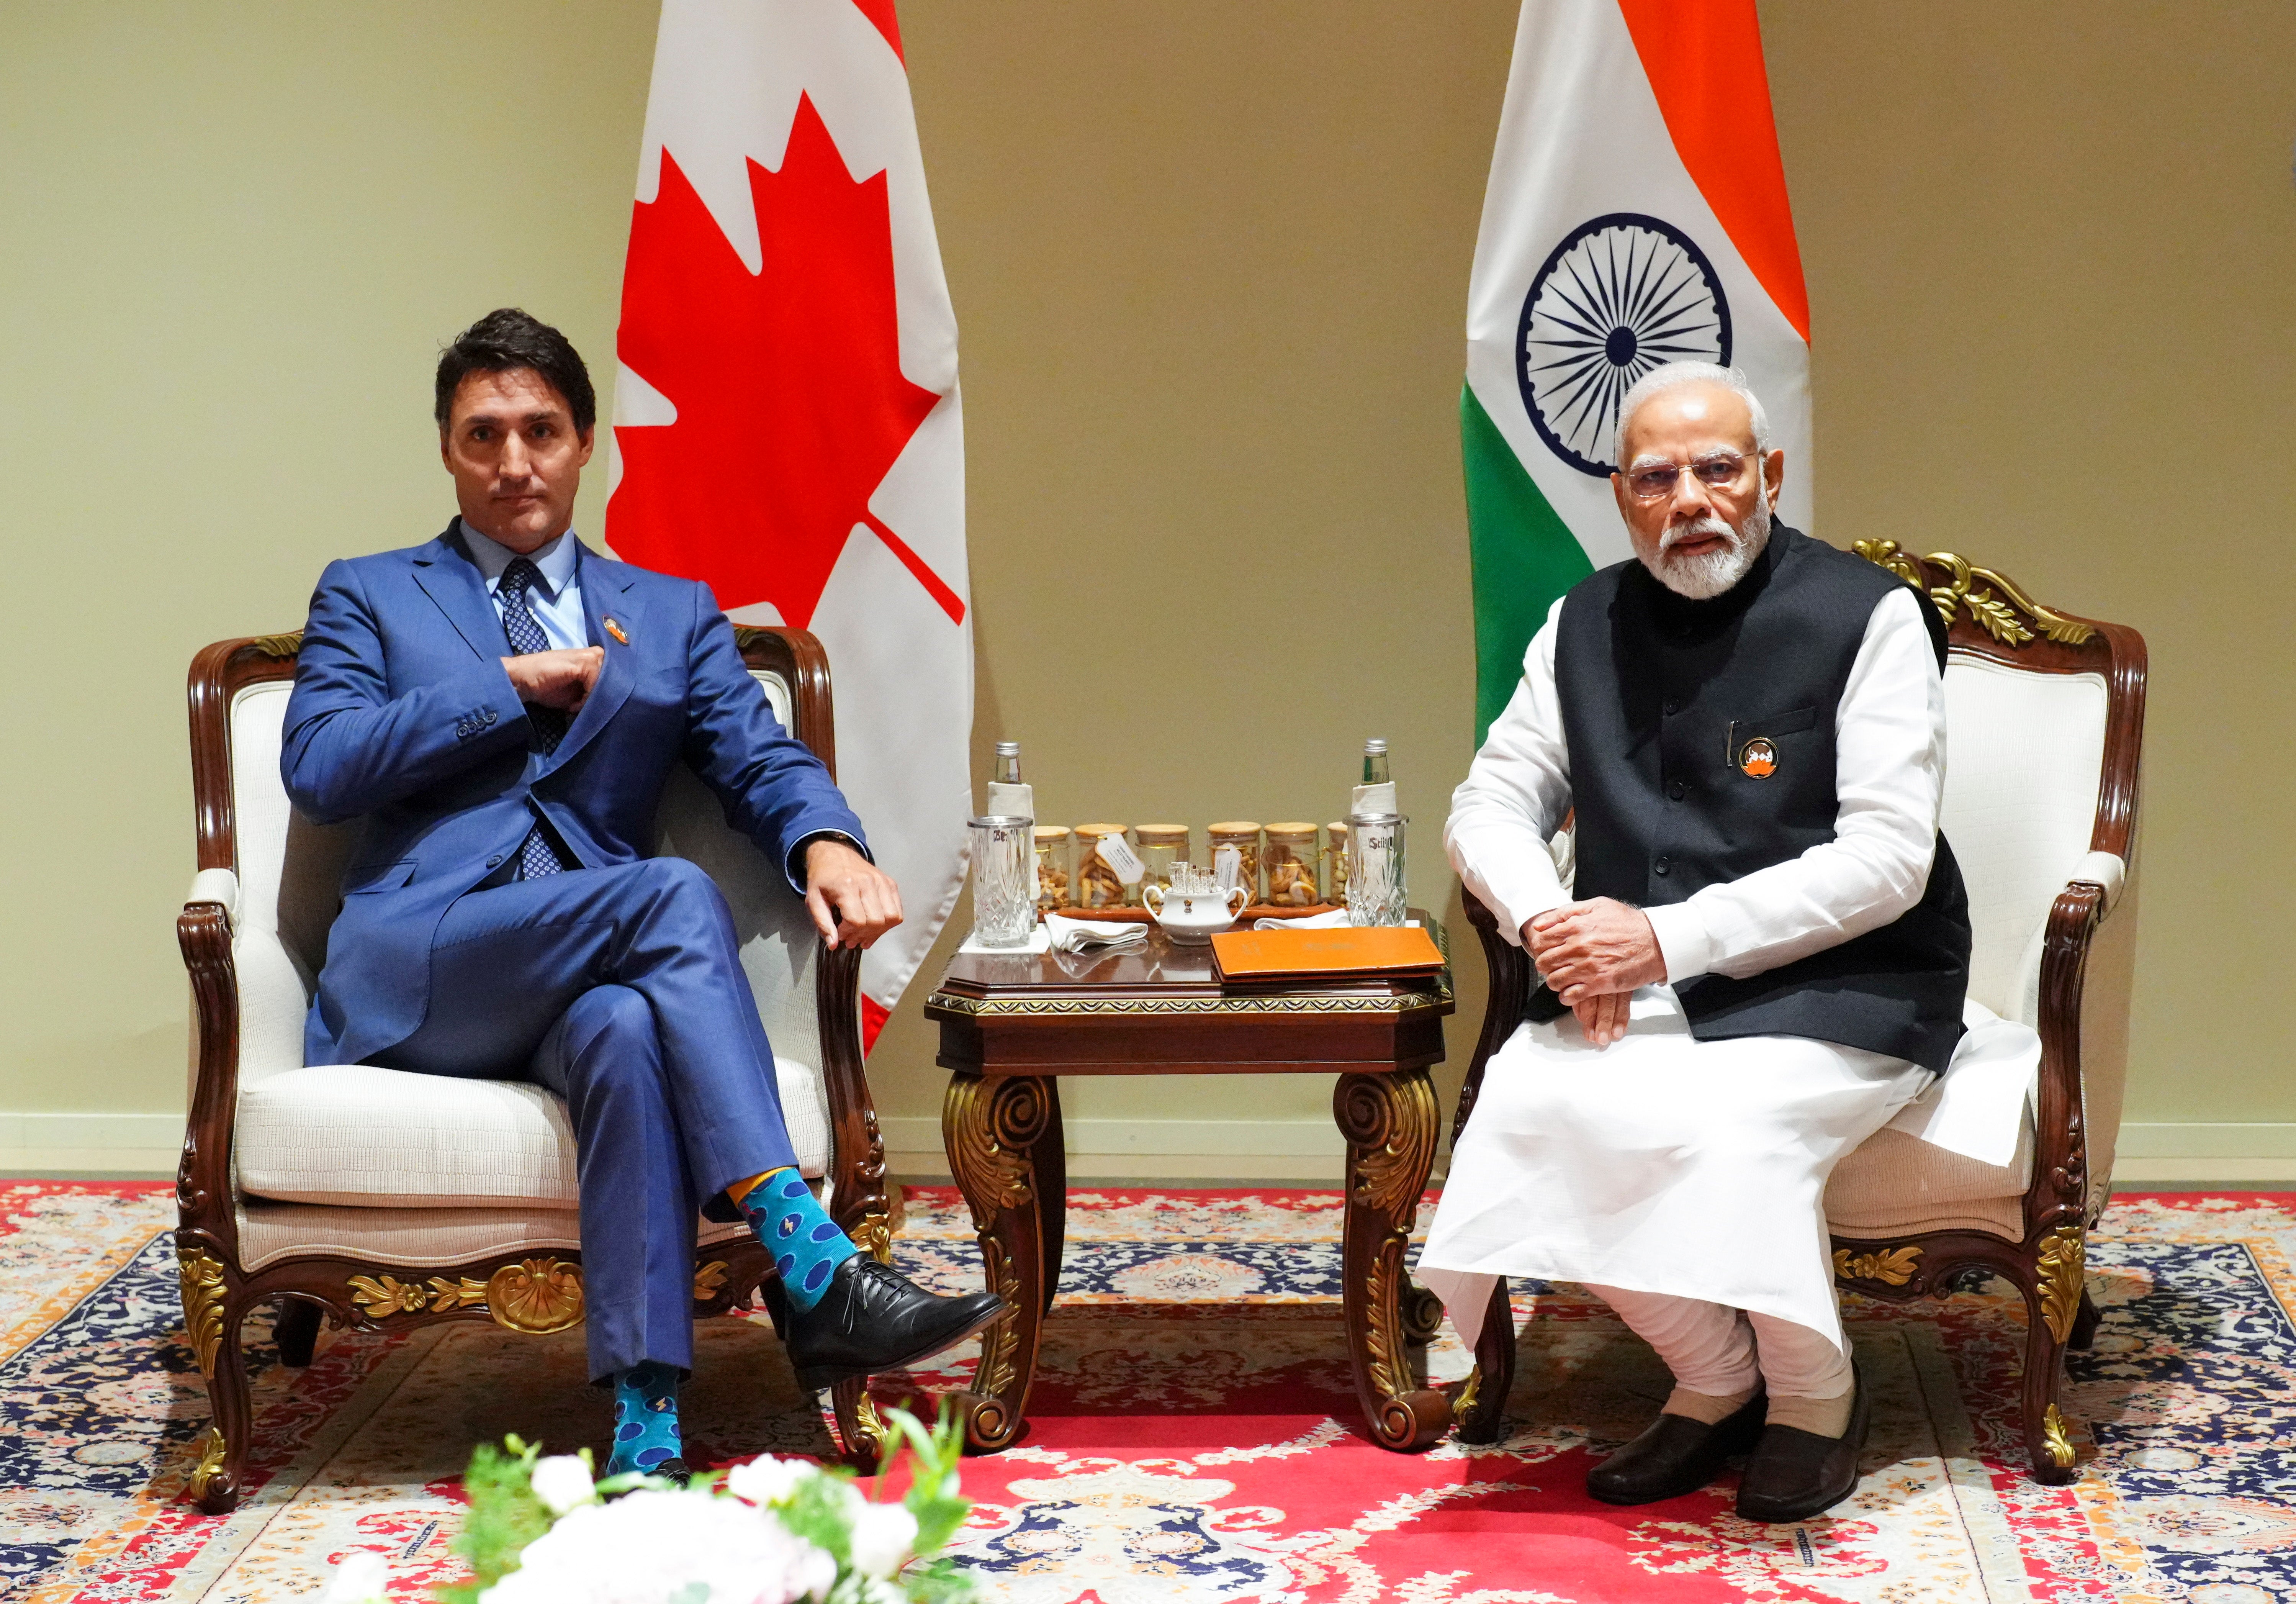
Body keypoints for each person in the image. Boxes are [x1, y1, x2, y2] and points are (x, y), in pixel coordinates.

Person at [283, 307, 1004, 1481]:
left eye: (540, 430)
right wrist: (509, 683)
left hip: (585, 977)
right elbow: (318, 766)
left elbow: (756, 757)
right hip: (425, 965)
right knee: (664, 893)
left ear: (584, 443)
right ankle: (810, 1264)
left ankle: (646, 1420)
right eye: (483, 435)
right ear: (447, 450)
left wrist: (824, 839)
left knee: (622, 1028)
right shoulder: (371, 594)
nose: (513, 461)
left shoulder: (667, 612)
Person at [1417, 361, 2024, 1523]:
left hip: (1850, 978)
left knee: (1729, 1125)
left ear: (1768, 476)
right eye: (1656, 476)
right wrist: (1550, 925)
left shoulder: (1866, 614)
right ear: (1620, 495)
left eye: (1716, 468)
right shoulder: (1580, 619)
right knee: (1527, 1107)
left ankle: (1812, 1394)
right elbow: (1487, 803)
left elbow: (1887, 859)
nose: (1688, 496)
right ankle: (1713, 1376)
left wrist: (1659, 940)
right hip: (1628, 976)